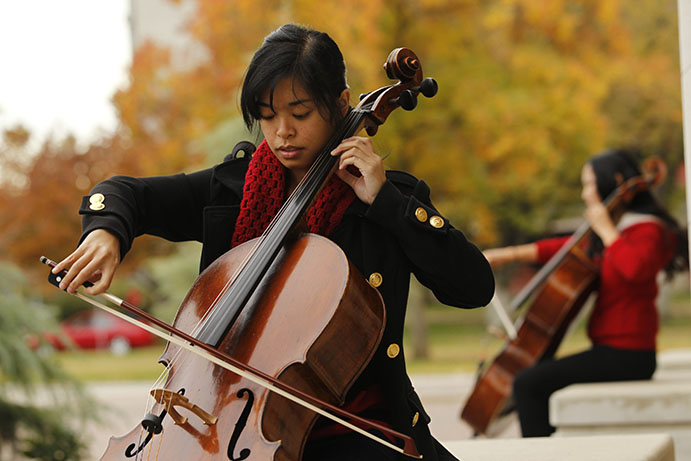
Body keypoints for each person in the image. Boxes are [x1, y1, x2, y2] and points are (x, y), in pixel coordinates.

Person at [53, 23, 494, 460]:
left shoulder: (384, 198)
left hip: (355, 433)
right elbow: (128, 193)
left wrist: (388, 203)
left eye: (299, 113)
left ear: (341, 104)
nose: (281, 131)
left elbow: (473, 287)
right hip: (220, 424)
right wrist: (106, 231)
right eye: (266, 115)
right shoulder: (232, 189)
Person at [483, 148, 688, 437]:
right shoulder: (618, 233)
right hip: (611, 352)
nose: (585, 194)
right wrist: (506, 255)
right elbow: (568, 247)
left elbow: (634, 269)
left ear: (614, 181)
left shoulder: (649, 231)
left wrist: (606, 230)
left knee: (528, 384)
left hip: (630, 355)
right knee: (535, 380)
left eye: (589, 184)